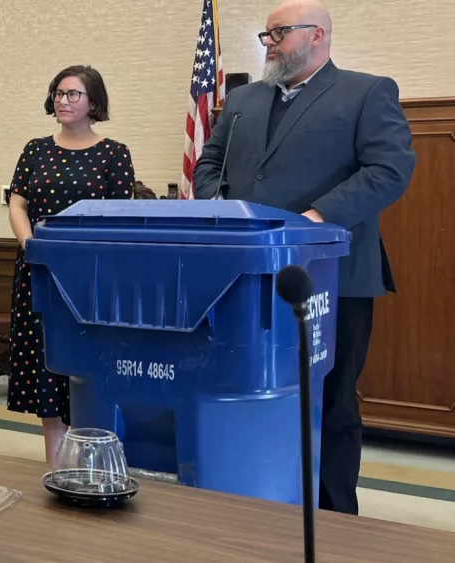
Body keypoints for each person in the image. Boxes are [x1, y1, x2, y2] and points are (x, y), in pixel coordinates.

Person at [193, 0, 416, 515]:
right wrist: (223, 210)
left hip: (333, 276)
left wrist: (316, 218)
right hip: (246, 273)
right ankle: (257, 503)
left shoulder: (367, 91)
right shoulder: (244, 99)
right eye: (266, 34)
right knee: (250, 390)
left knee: (333, 401)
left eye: (279, 33)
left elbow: (389, 169)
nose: (267, 43)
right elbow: (209, 163)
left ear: (317, 35)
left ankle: (334, 517)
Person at [6, 65, 136, 465]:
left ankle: (91, 465)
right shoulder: (35, 149)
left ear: (93, 101)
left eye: (73, 94)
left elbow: (121, 216)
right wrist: (32, 248)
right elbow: (18, 202)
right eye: (59, 93)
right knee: (45, 368)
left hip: (89, 279)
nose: (63, 100)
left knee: (87, 370)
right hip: (38, 272)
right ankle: (55, 467)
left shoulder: (114, 153)